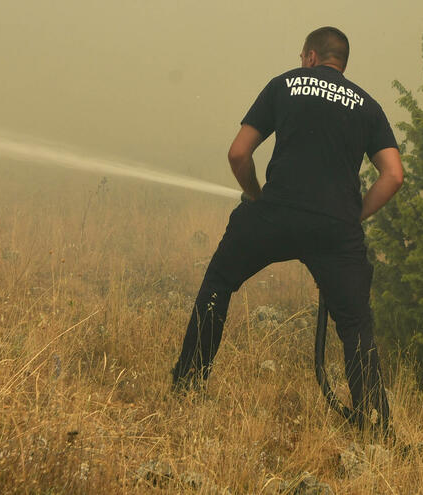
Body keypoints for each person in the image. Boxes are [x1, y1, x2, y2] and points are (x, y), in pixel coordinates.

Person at [171, 26, 404, 434]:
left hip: (275, 213)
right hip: (337, 229)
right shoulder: (367, 105)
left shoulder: (284, 84)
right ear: (341, 62)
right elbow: (394, 175)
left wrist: (256, 195)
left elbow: (238, 152)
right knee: (355, 325)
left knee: (220, 281)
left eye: (303, 58)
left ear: (311, 57)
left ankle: (188, 386)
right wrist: (354, 216)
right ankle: (374, 424)